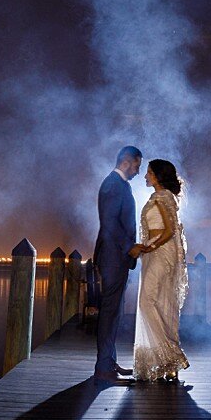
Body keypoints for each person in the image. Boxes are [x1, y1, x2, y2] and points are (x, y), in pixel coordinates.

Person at [128, 158, 189, 384]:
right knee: (163, 304)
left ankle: (171, 356)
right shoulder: (167, 198)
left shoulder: (160, 197)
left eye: (149, 173)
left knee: (146, 301)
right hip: (160, 255)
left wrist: (146, 247)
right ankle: (168, 366)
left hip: (160, 254)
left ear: (157, 176)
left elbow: (169, 231)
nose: (145, 177)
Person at [92, 145, 141, 385]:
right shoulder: (113, 185)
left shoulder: (119, 184)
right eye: (137, 166)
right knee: (110, 313)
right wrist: (129, 247)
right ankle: (103, 369)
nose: (138, 172)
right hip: (113, 258)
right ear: (126, 161)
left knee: (114, 312)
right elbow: (110, 224)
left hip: (116, 258)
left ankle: (109, 362)